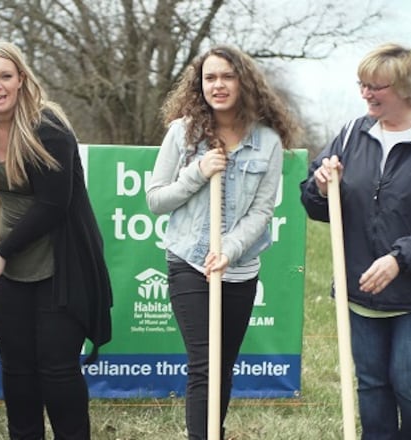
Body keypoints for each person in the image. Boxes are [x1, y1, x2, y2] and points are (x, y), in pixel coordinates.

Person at [0, 39, 113, 440]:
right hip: (9, 266)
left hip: (60, 260)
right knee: (17, 366)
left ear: (21, 80)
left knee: (57, 368)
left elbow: (54, 205)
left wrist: (1, 251)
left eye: (5, 76)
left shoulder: (48, 131)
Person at [300, 43, 411, 439]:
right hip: (360, 287)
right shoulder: (350, 134)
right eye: (362, 84)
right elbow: (316, 203)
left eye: (376, 86)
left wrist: (399, 259)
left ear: (406, 87)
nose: (365, 93)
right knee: (373, 383)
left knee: (410, 383)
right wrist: (321, 186)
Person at [146, 45, 300, 439]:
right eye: (210, 77)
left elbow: (262, 212)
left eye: (227, 76)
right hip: (189, 264)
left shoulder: (267, 142)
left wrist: (228, 249)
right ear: (200, 84)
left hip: (239, 267)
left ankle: (216, 430)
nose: (218, 84)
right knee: (204, 363)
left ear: (243, 82)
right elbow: (156, 199)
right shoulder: (182, 133)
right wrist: (197, 171)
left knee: (223, 365)